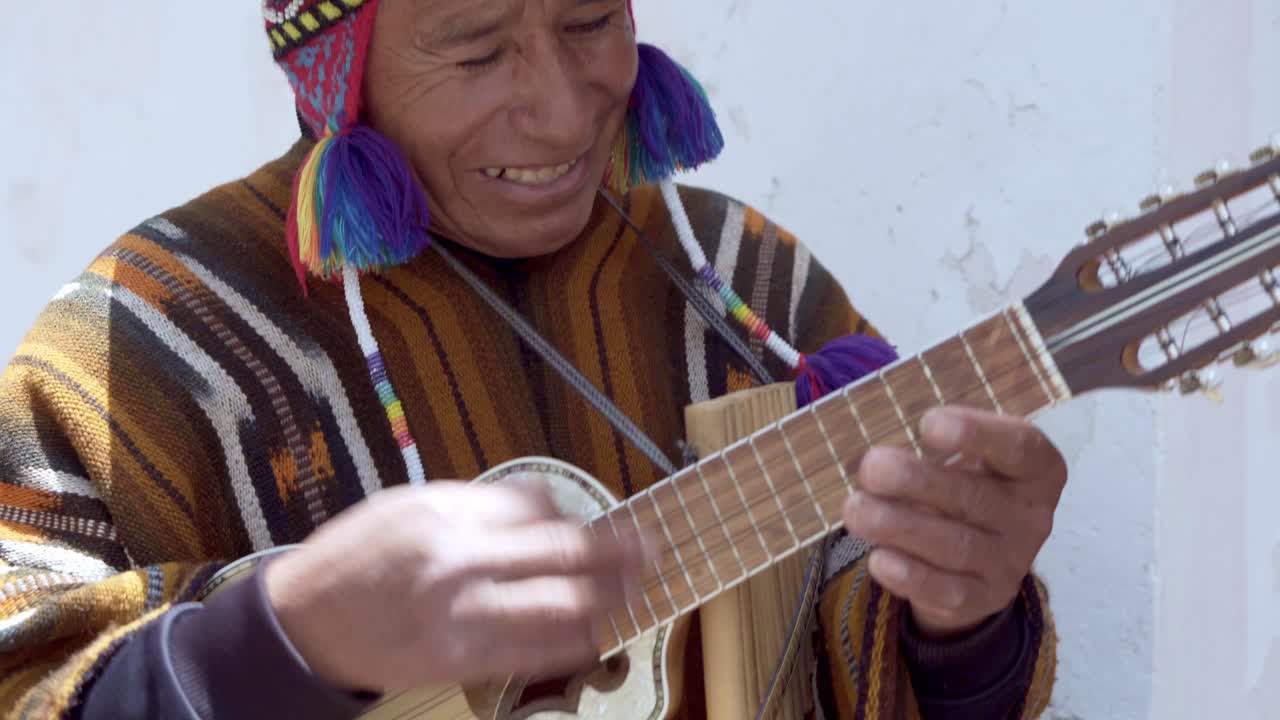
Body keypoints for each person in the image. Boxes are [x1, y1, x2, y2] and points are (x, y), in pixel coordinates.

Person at [0, 1, 1066, 718]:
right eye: (474, 48)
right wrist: (286, 635)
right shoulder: (151, 336)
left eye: (590, 18)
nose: (563, 109)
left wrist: (959, 620)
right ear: (337, 72)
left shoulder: (753, 296)